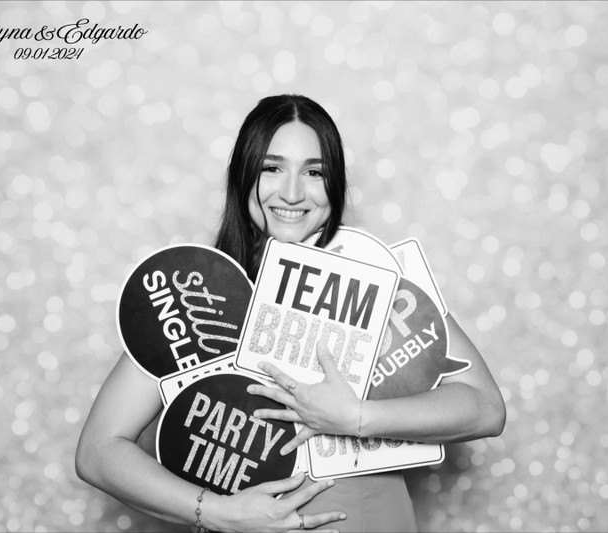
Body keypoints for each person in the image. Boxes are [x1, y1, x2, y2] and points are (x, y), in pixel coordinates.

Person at [76, 94, 506, 532]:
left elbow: (485, 407)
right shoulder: (198, 294)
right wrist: (216, 511)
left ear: (335, 185)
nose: (293, 193)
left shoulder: (373, 281)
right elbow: (98, 450)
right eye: (272, 168)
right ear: (243, 175)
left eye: (314, 172)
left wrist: (356, 417)